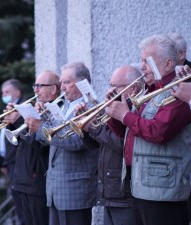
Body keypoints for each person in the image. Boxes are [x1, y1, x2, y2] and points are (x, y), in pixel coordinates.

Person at [105, 34, 191, 225]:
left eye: (147, 61)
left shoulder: (179, 91)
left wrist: (125, 115)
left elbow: (159, 132)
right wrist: (114, 112)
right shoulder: (147, 91)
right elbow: (128, 134)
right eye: (141, 60)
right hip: (140, 185)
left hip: (164, 190)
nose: (141, 66)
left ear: (169, 64)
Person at [27, 62, 99, 225]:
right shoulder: (66, 106)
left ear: (82, 83)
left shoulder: (90, 106)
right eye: (61, 82)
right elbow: (51, 138)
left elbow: (75, 142)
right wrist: (38, 120)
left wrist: (40, 128)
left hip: (75, 190)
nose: (62, 87)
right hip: (56, 188)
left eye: (67, 82)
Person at [77, 65, 144, 225]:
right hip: (108, 190)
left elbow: (122, 143)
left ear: (133, 88)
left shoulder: (135, 110)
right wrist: (86, 128)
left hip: (124, 192)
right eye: (110, 85)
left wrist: (92, 127)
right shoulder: (112, 107)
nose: (110, 90)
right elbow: (96, 144)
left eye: (115, 86)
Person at [3, 70, 61, 225]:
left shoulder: (57, 110)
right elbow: (22, 142)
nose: (35, 90)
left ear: (53, 89)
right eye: (35, 85)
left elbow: (43, 146)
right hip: (22, 180)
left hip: (37, 182)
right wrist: (15, 122)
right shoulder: (35, 107)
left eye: (39, 86)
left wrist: (23, 120)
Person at [0, 79, 25, 225]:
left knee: (22, 202)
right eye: (2, 93)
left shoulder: (22, 108)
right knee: (17, 200)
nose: (4, 95)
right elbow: (4, 136)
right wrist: (2, 160)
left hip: (18, 162)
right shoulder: (9, 108)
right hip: (10, 161)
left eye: (7, 92)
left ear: (17, 92)